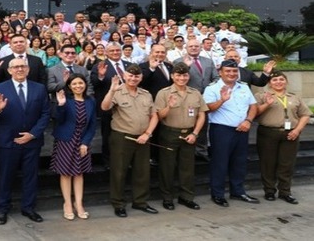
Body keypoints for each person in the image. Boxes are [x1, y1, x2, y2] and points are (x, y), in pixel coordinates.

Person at [0, 57, 50, 225]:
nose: (20, 69)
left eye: (23, 66)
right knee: (6, 176)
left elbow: (45, 114)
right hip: (8, 141)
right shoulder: (0, 88)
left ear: (28, 69)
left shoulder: (40, 88)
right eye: (16, 67)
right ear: (9, 71)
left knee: (31, 176)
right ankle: (2, 208)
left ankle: (28, 207)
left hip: (32, 141)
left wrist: (33, 134)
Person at [100, 64, 159, 218]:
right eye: (130, 76)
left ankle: (140, 202)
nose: (133, 79)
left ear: (141, 77)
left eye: (137, 76)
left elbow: (154, 116)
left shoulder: (146, 94)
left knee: (142, 172)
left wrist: (147, 133)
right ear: (125, 76)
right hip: (122, 137)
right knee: (119, 172)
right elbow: (105, 107)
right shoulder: (117, 91)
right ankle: (118, 204)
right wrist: (112, 90)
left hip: (143, 137)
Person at [203, 59, 259, 207]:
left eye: (234, 71)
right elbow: (207, 108)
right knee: (220, 163)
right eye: (228, 71)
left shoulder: (244, 87)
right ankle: (218, 194)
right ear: (220, 72)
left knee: (239, 162)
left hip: (242, 128)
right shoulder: (212, 88)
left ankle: (238, 191)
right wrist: (222, 100)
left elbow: (253, 106)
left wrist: (248, 121)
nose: (231, 74)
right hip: (222, 130)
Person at [154, 63, 208, 210]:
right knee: (167, 167)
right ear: (172, 76)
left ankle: (186, 197)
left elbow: (201, 115)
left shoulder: (195, 93)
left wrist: (195, 133)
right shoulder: (164, 93)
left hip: (189, 133)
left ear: (188, 76)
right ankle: (167, 198)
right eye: (178, 75)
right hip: (169, 133)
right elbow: (159, 116)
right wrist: (169, 106)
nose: (181, 78)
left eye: (184, 75)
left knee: (187, 168)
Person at [254, 71, 312, 204]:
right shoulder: (261, 96)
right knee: (268, 163)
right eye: (274, 80)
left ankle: (285, 192)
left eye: (281, 79)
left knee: (287, 163)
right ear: (269, 83)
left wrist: (297, 130)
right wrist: (267, 104)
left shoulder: (294, 97)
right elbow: (254, 113)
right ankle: (269, 190)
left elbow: (305, 115)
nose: (278, 82)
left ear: (286, 82)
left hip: (290, 133)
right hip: (268, 133)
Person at [51, 74, 97, 220]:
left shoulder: (90, 101)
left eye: (81, 83)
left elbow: (92, 125)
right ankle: (68, 204)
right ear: (70, 86)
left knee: (79, 173)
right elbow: (58, 119)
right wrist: (61, 105)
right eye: (75, 84)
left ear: (85, 84)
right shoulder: (66, 100)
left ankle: (79, 203)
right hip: (66, 140)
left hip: (82, 140)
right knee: (66, 173)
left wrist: (85, 142)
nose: (78, 86)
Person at [90, 42, 133, 167]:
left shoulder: (129, 65)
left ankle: (127, 159)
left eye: (117, 50)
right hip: (109, 106)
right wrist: (101, 76)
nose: (115, 53)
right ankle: (108, 161)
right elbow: (94, 84)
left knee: (127, 133)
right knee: (108, 135)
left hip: (128, 106)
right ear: (106, 52)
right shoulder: (100, 66)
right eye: (112, 51)